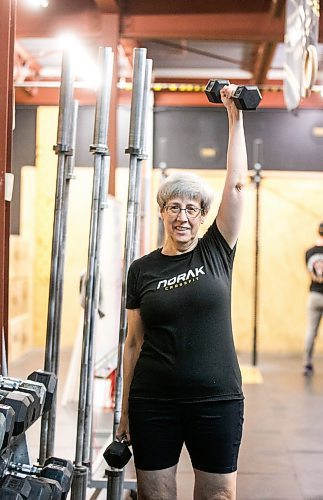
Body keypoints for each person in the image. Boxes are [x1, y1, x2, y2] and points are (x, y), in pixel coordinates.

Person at [117, 84, 248, 500]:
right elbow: (134, 343)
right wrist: (124, 416)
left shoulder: (217, 250)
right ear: (162, 212)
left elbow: (238, 186)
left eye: (193, 208)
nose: (183, 217)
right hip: (154, 402)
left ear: (204, 215)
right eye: (174, 207)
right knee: (156, 496)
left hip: (217, 400)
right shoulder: (142, 269)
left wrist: (235, 114)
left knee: (219, 496)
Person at [303, 222, 323, 376]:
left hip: (314, 295)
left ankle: (307, 365)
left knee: (311, 331)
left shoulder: (309, 252)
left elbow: (312, 273)